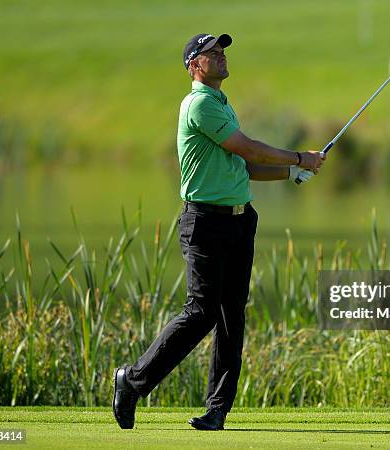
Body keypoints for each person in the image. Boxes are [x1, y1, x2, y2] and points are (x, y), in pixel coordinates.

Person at [112, 33, 325, 431]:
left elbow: (244, 168)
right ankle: (133, 380)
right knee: (201, 311)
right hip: (205, 222)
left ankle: (217, 410)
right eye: (213, 53)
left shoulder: (221, 105)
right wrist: (299, 155)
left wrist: (293, 170)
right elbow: (248, 148)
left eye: (222, 50)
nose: (222, 56)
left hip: (240, 221)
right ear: (195, 66)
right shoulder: (199, 106)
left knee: (231, 317)